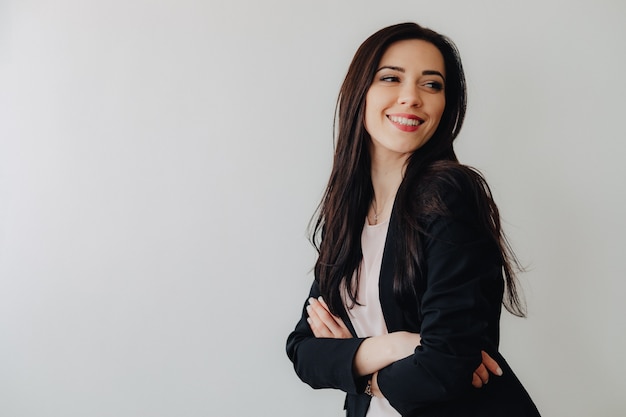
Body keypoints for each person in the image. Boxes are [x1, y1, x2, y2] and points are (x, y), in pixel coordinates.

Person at [285, 22, 541, 417]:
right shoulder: (348, 212)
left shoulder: (448, 195)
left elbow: (444, 367)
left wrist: (358, 366)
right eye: (391, 78)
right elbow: (303, 351)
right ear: (360, 93)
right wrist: (397, 344)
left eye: (432, 85)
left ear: (446, 105)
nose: (411, 98)